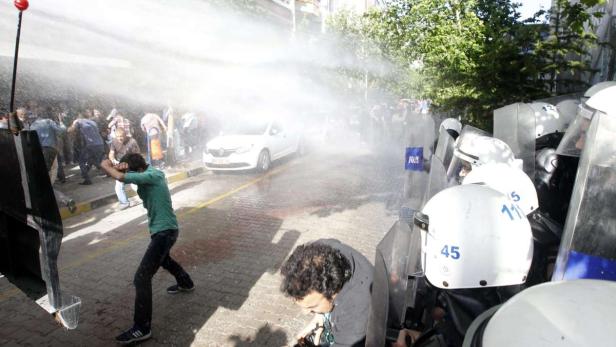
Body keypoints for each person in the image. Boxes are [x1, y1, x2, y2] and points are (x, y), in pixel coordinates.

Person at [100, 153, 194, 345]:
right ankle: (186, 282)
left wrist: (105, 165)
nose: (129, 174)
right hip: (163, 230)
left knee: (141, 278)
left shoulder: (153, 175)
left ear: (139, 170)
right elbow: (122, 172)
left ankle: (142, 328)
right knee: (164, 260)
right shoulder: (146, 171)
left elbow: (120, 177)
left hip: (164, 232)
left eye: (131, 171)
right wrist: (117, 165)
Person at [281, 239, 373, 347]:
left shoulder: (356, 313)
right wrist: (319, 315)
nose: (305, 313)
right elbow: (333, 241)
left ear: (333, 292)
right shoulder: (319, 251)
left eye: (312, 306)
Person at [68, 113, 105, 185]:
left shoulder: (78, 121)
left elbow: (70, 130)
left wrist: (72, 124)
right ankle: (109, 171)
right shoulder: (93, 122)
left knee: (81, 161)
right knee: (93, 161)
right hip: (100, 143)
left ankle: (87, 179)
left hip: (91, 145)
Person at [109, 128, 140, 209]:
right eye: (118, 137)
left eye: (121, 136)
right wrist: (113, 160)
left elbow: (137, 154)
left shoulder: (132, 141)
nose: (120, 138)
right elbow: (111, 153)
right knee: (119, 185)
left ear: (125, 135)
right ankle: (124, 203)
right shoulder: (114, 142)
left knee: (134, 183)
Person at [30, 107, 67, 175]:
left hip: (39, 149)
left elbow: (31, 137)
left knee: (44, 167)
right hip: (50, 147)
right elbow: (61, 130)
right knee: (51, 168)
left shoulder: (33, 124)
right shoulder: (49, 121)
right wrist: (61, 122)